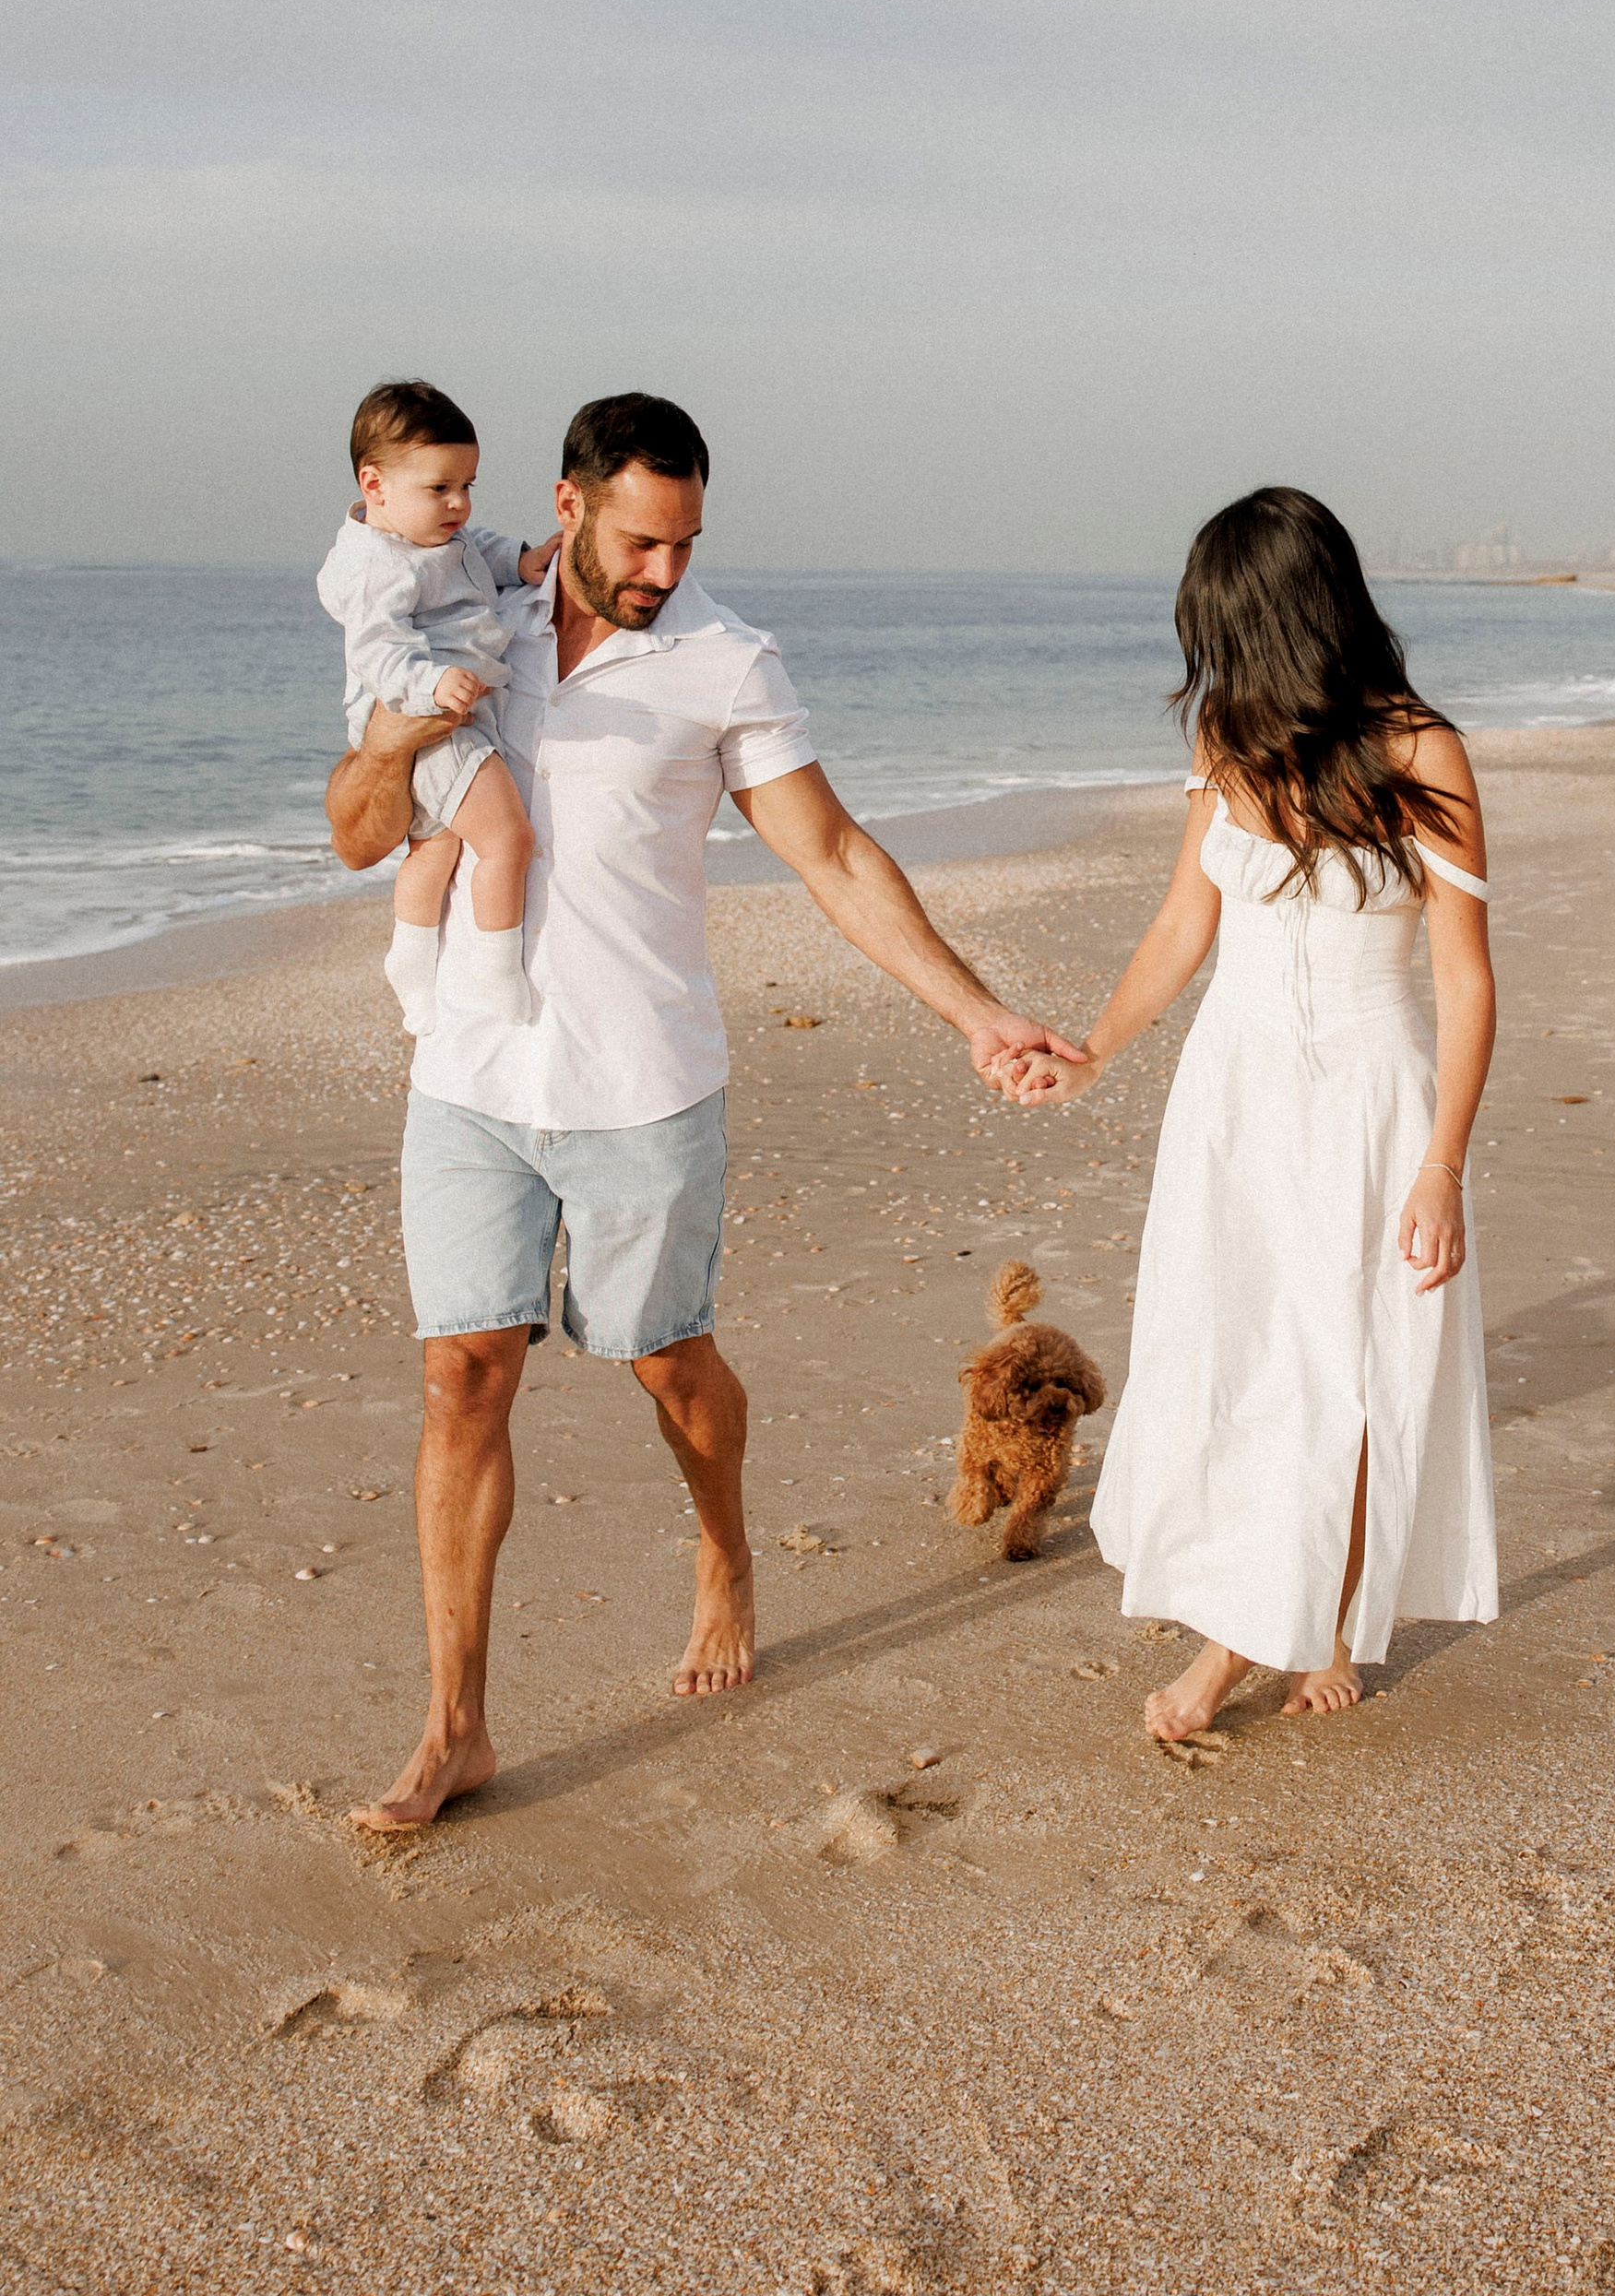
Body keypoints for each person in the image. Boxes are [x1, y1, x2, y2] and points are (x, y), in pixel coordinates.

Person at [325, 389, 1076, 1832]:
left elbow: (834, 851)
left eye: (684, 542)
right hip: (472, 1079)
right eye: (639, 538)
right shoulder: (454, 625)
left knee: (669, 1369)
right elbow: (363, 829)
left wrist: (977, 1013)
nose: (663, 569)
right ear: (566, 504)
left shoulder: (724, 661)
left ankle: (724, 1547)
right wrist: (397, 733)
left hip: (642, 1085)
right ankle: (455, 1725)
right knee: (461, 1379)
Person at [1015, 486, 1498, 1739]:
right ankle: (1306, 1615)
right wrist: (1095, 1050)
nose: (1210, 657)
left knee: (1338, 1377)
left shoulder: (1419, 751)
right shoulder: (1229, 740)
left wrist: (1443, 1163)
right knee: (1234, 1360)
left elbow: (1465, 977)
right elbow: (1187, 920)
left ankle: (1233, 1650)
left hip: (1364, 1105)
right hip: (1233, 1099)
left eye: (1226, 628)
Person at [317, 378, 554, 1036]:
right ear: (375, 485)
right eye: (440, 488)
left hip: (452, 711)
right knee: (507, 838)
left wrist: (524, 560)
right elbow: (377, 652)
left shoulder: (435, 536)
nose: (459, 503)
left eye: (468, 484)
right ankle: (498, 967)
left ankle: (411, 961)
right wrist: (429, 683)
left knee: (437, 843)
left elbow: (479, 548)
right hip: (429, 719)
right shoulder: (376, 567)